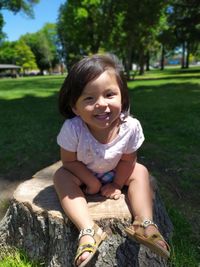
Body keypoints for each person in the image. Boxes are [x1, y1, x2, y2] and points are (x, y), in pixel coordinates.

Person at [54, 53, 170, 267]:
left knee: (141, 171)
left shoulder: (130, 127)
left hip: (117, 169)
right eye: (89, 98)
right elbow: (69, 162)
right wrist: (92, 182)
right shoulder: (73, 128)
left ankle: (144, 223)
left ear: (123, 98)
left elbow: (128, 160)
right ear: (74, 107)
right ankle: (89, 230)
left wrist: (117, 183)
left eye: (109, 94)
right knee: (60, 176)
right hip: (82, 171)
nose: (101, 104)